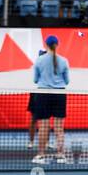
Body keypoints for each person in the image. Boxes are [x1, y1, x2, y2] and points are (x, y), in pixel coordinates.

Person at [30, 35, 70, 165]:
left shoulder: (39, 60)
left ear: (46, 45)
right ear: (57, 45)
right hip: (59, 94)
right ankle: (60, 155)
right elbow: (67, 81)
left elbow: (35, 80)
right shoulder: (64, 61)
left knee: (43, 127)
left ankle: (41, 155)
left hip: (43, 94)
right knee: (59, 128)